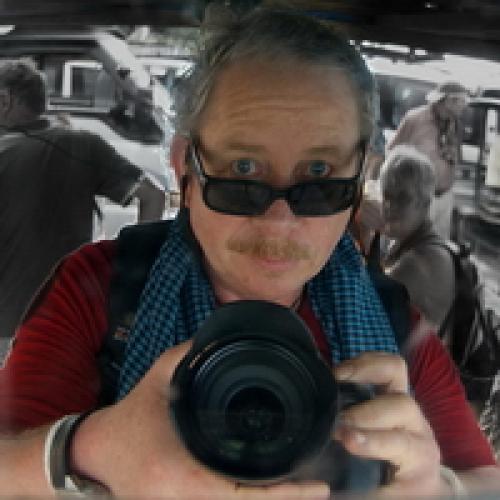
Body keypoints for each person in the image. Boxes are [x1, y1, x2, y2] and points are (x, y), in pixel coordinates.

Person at [0, 9, 499, 498]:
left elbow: (485, 483)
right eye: (242, 170)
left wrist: (439, 487)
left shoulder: (393, 324)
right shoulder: (100, 287)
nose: (279, 222)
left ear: (359, 178)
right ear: (185, 170)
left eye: (320, 176)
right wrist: (87, 452)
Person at [0, 60, 166, 350]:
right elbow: (154, 197)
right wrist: (133, 275)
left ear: (4, 100)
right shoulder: (82, 145)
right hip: (72, 322)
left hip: (8, 328)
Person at [376, 145, 455, 330]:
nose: (389, 206)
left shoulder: (418, 263)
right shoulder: (410, 242)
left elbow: (357, 310)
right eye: (386, 194)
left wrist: (362, 230)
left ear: (425, 204)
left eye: (402, 198)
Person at [387, 80, 470, 239]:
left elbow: (455, 157)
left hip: (444, 196)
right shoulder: (415, 119)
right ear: (447, 100)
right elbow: (393, 152)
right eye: (461, 101)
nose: (464, 106)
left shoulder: (456, 124)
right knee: (411, 241)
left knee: (436, 243)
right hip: (418, 196)